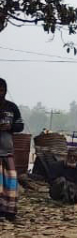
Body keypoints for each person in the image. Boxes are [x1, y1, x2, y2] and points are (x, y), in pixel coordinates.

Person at [0, 78, 25, 223]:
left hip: (7, 150)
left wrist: (10, 127)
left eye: (2, 90)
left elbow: (20, 125)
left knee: (10, 183)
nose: (0, 93)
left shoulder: (12, 107)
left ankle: (10, 213)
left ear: (5, 91)